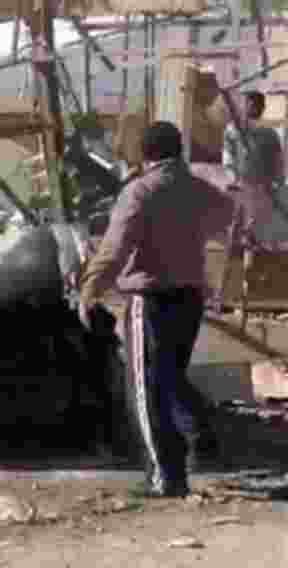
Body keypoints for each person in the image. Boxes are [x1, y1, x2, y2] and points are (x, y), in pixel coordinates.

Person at [78, 121, 235, 498]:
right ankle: (202, 436)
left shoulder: (139, 191)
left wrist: (90, 290)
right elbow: (226, 214)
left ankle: (166, 476)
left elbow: (114, 250)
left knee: (146, 391)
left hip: (150, 301)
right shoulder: (198, 188)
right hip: (190, 298)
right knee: (169, 377)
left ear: (145, 153)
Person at [221, 90, 286, 317]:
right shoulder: (233, 131)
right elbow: (228, 159)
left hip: (262, 193)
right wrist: (233, 181)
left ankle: (256, 298)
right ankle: (228, 295)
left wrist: (276, 184)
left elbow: (278, 163)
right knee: (235, 242)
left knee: (258, 243)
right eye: (249, 103)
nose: (253, 107)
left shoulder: (269, 134)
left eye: (258, 104)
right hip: (240, 192)